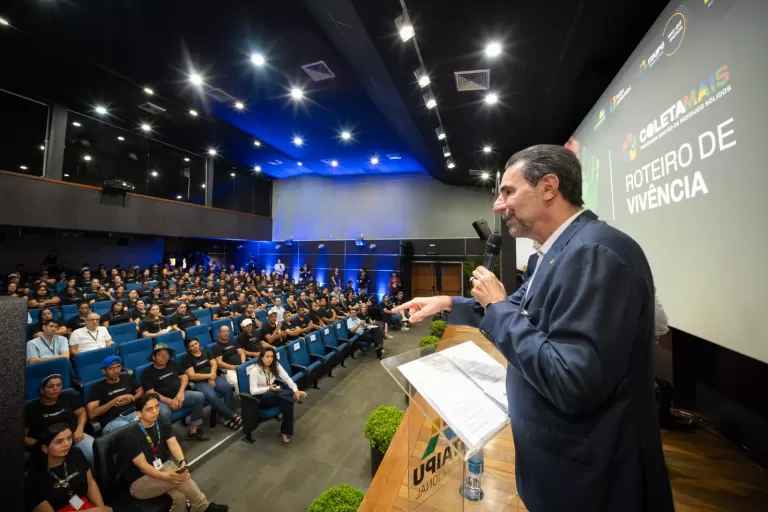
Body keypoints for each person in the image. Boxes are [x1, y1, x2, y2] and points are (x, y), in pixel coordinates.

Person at [393, 144, 673, 512]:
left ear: (548, 188)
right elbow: (511, 314)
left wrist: (495, 304)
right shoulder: (558, 252)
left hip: (590, 485)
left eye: (508, 191)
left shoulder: (596, 254)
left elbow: (572, 381)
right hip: (556, 473)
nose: (498, 204)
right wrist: (446, 303)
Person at [122, 393, 228, 511]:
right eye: (149, 409)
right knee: (181, 478)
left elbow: (172, 443)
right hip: (139, 482)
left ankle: (202, 506)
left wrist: (182, 462)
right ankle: (204, 507)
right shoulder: (131, 436)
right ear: (139, 414)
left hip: (161, 467)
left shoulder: (160, 421)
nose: (155, 411)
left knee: (180, 497)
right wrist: (166, 476)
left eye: (157, 406)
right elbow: (143, 466)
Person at [25, 423, 112, 512]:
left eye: (69, 438)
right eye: (59, 441)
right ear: (44, 448)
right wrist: (95, 511)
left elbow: (91, 484)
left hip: (84, 505)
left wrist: (101, 508)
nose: (67, 444)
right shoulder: (33, 479)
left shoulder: (76, 454)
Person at [140, 344, 208, 441]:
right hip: (161, 401)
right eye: (160, 354)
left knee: (199, 396)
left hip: (179, 395)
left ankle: (193, 430)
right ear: (153, 357)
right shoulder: (147, 372)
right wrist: (170, 402)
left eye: (166, 354)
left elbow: (184, 377)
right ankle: (168, 439)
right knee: (164, 413)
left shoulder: (173, 364)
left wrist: (180, 393)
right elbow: (150, 392)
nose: (164, 357)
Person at [25, 374, 95, 467]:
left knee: (93, 452)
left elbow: (82, 413)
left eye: (59, 385)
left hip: (74, 437)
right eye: (50, 386)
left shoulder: (68, 396)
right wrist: (42, 445)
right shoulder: (30, 408)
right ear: (42, 390)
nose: (56, 389)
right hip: (49, 446)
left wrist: (80, 428)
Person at [247, 346, 306, 443]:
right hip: (262, 397)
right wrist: (268, 388)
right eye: (267, 356)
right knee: (282, 393)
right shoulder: (255, 370)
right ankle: (292, 395)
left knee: (287, 402)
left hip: (275, 393)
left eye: (272, 356)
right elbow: (253, 391)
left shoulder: (275, 365)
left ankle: (285, 431)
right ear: (261, 357)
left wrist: (295, 389)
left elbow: (286, 377)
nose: (270, 359)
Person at [182, 338, 242, 429]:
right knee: (212, 396)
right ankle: (232, 416)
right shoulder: (186, 359)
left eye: (196, 343)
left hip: (212, 377)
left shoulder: (205, 351)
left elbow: (214, 364)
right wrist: (209, 376)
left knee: (228, 388)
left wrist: (212, 375)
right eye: (192, 345)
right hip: (200, 382)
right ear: (188, 348)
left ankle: (226, 418)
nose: (195, 346)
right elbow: (192, 376)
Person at [86, 356, 144, 433]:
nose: (116, 371)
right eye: (111, 368)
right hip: (113, 421)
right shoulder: (97, 387)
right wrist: (114, 400)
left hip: (133, 414)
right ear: (104, 371)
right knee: (132, 430)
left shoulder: (126, 377)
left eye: (118, 367)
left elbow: (141, 390)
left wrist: (132, 398)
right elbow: (92, 414)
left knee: (150, 420)